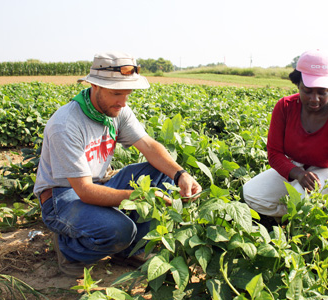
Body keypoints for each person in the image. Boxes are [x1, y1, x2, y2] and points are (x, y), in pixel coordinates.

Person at [33, 52, 202, 277]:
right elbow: (84, 191)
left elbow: (149, 146)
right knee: (120, 229)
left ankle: (130, 250)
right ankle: (70, 249)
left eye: (127, 94)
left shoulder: (116, 111)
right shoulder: (66, 124)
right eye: (115, 93)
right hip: (62, 196)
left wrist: (181, 174)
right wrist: (141, 196)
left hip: (97, 184)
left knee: (162, 172)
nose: (123, 102)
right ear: (94, 86)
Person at [243, 49, 328, 219]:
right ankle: (295, 217)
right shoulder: (285, 107)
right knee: (252, 193)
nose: (314, 99)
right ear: (298, 84)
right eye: (307, 91)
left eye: (322, 92)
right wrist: (298, 174)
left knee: (301, 196)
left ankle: (313, 214)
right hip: (300, 166)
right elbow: (274, 153)